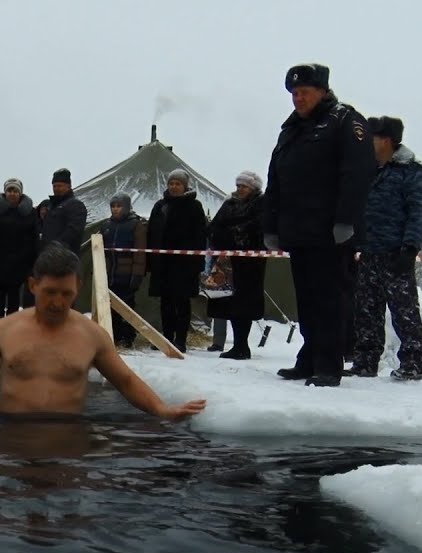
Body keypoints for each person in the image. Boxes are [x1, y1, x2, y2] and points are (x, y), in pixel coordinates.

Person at [0, 244, 206, 420]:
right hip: (10, 435)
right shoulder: (6, 329)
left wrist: (162, 408)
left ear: (78, 287)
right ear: (34, 285)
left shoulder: (91, 335)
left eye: (66, 293)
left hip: (70, 440)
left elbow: (125, 381)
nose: (57, 301)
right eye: (50, 292)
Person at [263, 63, 376, 387]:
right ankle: (309, 358)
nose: (298, 99)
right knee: (307, 300)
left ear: (323, 91)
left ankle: (329, 364)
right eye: (294, 94)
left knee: (330, 298)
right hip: (299, 231)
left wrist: (345, 220)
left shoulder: (344, 121)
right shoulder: (291, 130)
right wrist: (270, 225)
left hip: (330, 233)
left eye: (304, 93)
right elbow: (276, 181)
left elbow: (357, 173)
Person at [347, 116, 422, 381]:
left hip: (396, 253)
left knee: (404, 310)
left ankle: (413, 363)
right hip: (368, 252)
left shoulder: (412, 172)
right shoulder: (369, 170)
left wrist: (410, 248)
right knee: (366, 311)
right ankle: (365, 361)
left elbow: (419, 211)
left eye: (371, 137)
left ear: (385, 140)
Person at [206, 170, 266, 359]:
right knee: (229, 304)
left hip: (250, 263)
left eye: (244, 186)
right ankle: (237, 345)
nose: (240, 189)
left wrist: (237, 231)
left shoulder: (260, 204)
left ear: (253, 188)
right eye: (238, 185)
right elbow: (215, 227)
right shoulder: (229, 204)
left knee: (245, 303)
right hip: (228, 263)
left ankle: (242, 345)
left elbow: (259, 228)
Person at [146, 169, 206, 353]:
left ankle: (180, 340)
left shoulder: (194, 206)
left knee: (181, 302)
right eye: (171, 183)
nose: (174, 186)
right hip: (162, 263)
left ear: (185, 186)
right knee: (165, 302)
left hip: (184, 264)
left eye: (177, 183)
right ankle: (166, 337)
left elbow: (200, 236)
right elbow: (151, 233)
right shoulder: (160, 206)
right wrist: (151, 260)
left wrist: (197, 263)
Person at [0, 178, 38, 319]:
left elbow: (34, 237)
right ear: (5, 192)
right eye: (9, 190)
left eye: (15, 191)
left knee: (14, 296)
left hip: (20, 261)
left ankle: (12, 326)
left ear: (20, 193)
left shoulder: (30, 212)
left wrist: (32, 259)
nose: (12, 194)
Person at [99, 193, 147, 348]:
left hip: (126, 272)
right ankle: (114, 335)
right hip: (109, 271)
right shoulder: (106, 225)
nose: (115, 209)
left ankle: (127, 337)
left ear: (126, 207)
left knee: (126, 306)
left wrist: (137, 274)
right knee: (109, 306)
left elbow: (140, 252)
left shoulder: (135, 224)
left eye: (119, 206)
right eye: (113, 206)